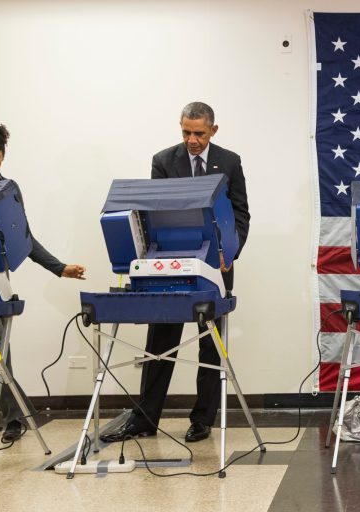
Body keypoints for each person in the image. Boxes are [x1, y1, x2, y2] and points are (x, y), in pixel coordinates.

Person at [101, 102, 250, 443]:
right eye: (186, 132)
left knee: (211, 344)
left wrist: (232, 251)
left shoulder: (229, 161)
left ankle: (203, 419)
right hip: (170, 263)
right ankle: (145, 419)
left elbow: (241, 214)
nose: (192, 140)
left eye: (198, 133)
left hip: (216, 264)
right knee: (160, 343)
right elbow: (156, 212)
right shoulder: (164, 161)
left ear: (213, 130)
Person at [0, 122, 86, 442]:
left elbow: (22, 236)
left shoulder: (8, 189)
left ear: (3, 156)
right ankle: (15, 416)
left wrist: (59, 268)